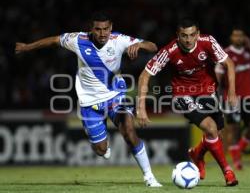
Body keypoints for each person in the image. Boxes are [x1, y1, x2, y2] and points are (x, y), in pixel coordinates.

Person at [15, 12, 162, 187]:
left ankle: (149, 176)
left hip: (115, 96)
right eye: (98, 29)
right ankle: (102, 146)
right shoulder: (78, 40)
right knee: (100, 150)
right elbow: (54, 40)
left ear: (111, 27)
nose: (102, 33)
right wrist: (27, 47)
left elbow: (153, 47)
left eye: (106, 29)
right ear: (91, 29)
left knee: (129, 131)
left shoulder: (119, 40)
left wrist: (139, 45)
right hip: (89, 103)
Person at [137, 17, 238, 186]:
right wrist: (141, 107)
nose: (188, 39)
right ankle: (228, 172)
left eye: (192, 35)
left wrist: (232, 91)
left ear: (198, 34)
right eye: (184, 35)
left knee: (216, 134)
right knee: (211, 128)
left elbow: (229, 63)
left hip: (208, 91)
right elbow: (145, 75)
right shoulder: (169, 51)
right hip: (182, 95)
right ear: (178, 35)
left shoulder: (208, 42)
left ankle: (197, 154)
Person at [215, 28, 250, 170]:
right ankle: (236, 161)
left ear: (244, 38)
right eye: (235, 35)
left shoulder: (248, 52)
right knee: (233, 129)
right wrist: (216, 96)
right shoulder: (225, 54)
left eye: (240, 36)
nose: (238, 38)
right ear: (231, 38)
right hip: (232, 97)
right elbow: (217, 77)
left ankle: (238, 149)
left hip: (249, 97)